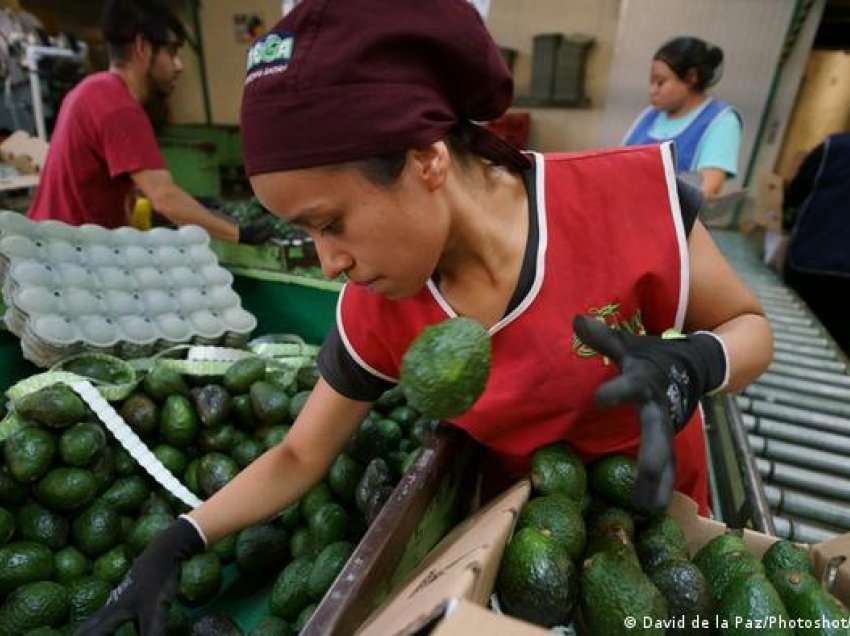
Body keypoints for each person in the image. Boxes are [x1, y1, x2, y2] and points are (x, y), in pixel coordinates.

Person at [79, 2, 772, 634]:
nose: (328, 263)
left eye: (331, 223)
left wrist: (694, 365)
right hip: (531, 550)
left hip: (661, 535)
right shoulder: (380, 308)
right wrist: (179, 540)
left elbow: (751, 328)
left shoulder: (621, 197)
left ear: (426, 160)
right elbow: (299, 453)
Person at [26, 0, 270, 244]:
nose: (179, 66)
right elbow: (164, 198)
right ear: (142, 47)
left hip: (46, 245)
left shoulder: (91, 90)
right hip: (66, 255)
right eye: (172, 52)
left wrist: (200, 206)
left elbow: (136, 187)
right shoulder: (120, 107)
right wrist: (238, 234)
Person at [623, 36, 742, 197]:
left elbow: (707, 190)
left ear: (691, 77)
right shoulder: (650, 116)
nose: (652, 90)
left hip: (670, 219)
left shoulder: (720, 121)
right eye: (651, 82)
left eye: (660, 82)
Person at [783, 133, 850, 354]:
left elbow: (797, 192)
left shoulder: (833, 147)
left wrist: (786, 225)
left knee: (792, 335)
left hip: (811, 262)